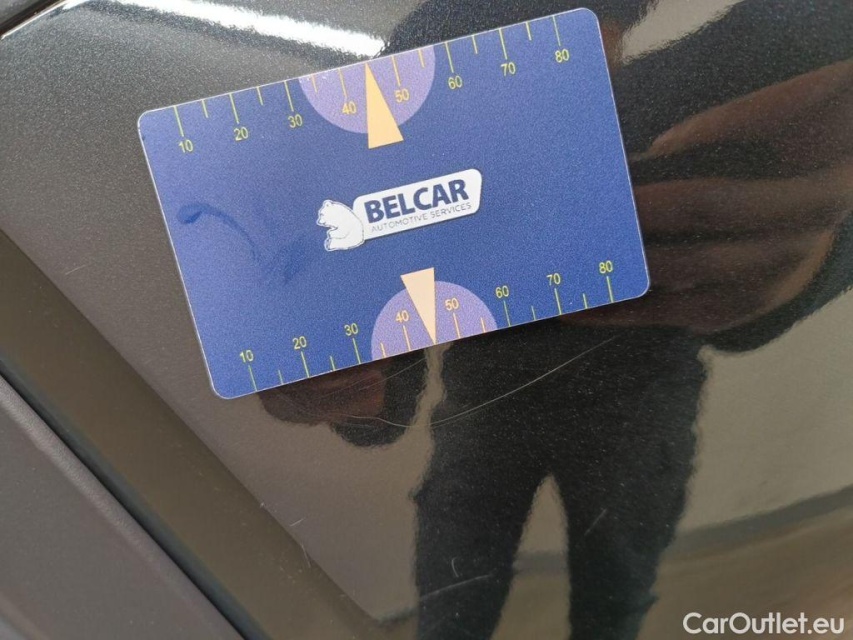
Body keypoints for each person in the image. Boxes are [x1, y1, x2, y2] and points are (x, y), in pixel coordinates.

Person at [261, 1, 853, 637]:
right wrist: (343, 377)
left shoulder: (801, 23)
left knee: (595, 601)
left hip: (615, 395)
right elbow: (383, 310)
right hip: (508, 395)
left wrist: (824, 253)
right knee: (471, 609)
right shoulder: (444, 33)